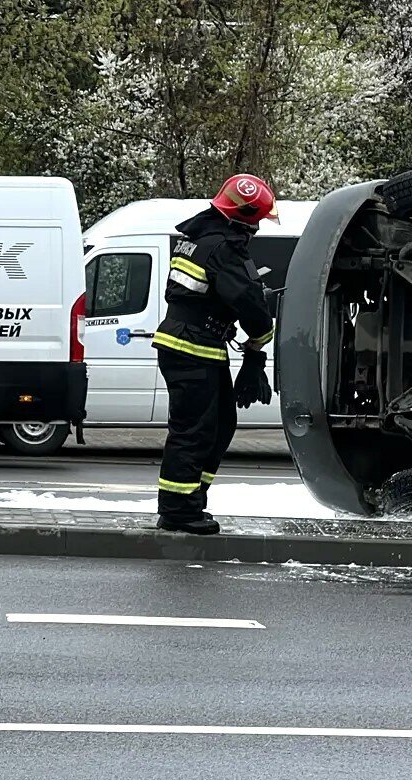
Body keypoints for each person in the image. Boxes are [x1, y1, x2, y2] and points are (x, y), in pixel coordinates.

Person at [153, 174, 278, 534]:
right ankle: (178, 510)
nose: (256, 228)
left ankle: (192, 499)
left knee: (221, 425)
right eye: (257, 221)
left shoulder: (197, 239)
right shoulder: (223, 248)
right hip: (192, 347)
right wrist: (257, 350)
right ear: (245, 218)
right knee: (194, 430)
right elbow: (250, 305)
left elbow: (209, 293)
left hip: (198, 345)